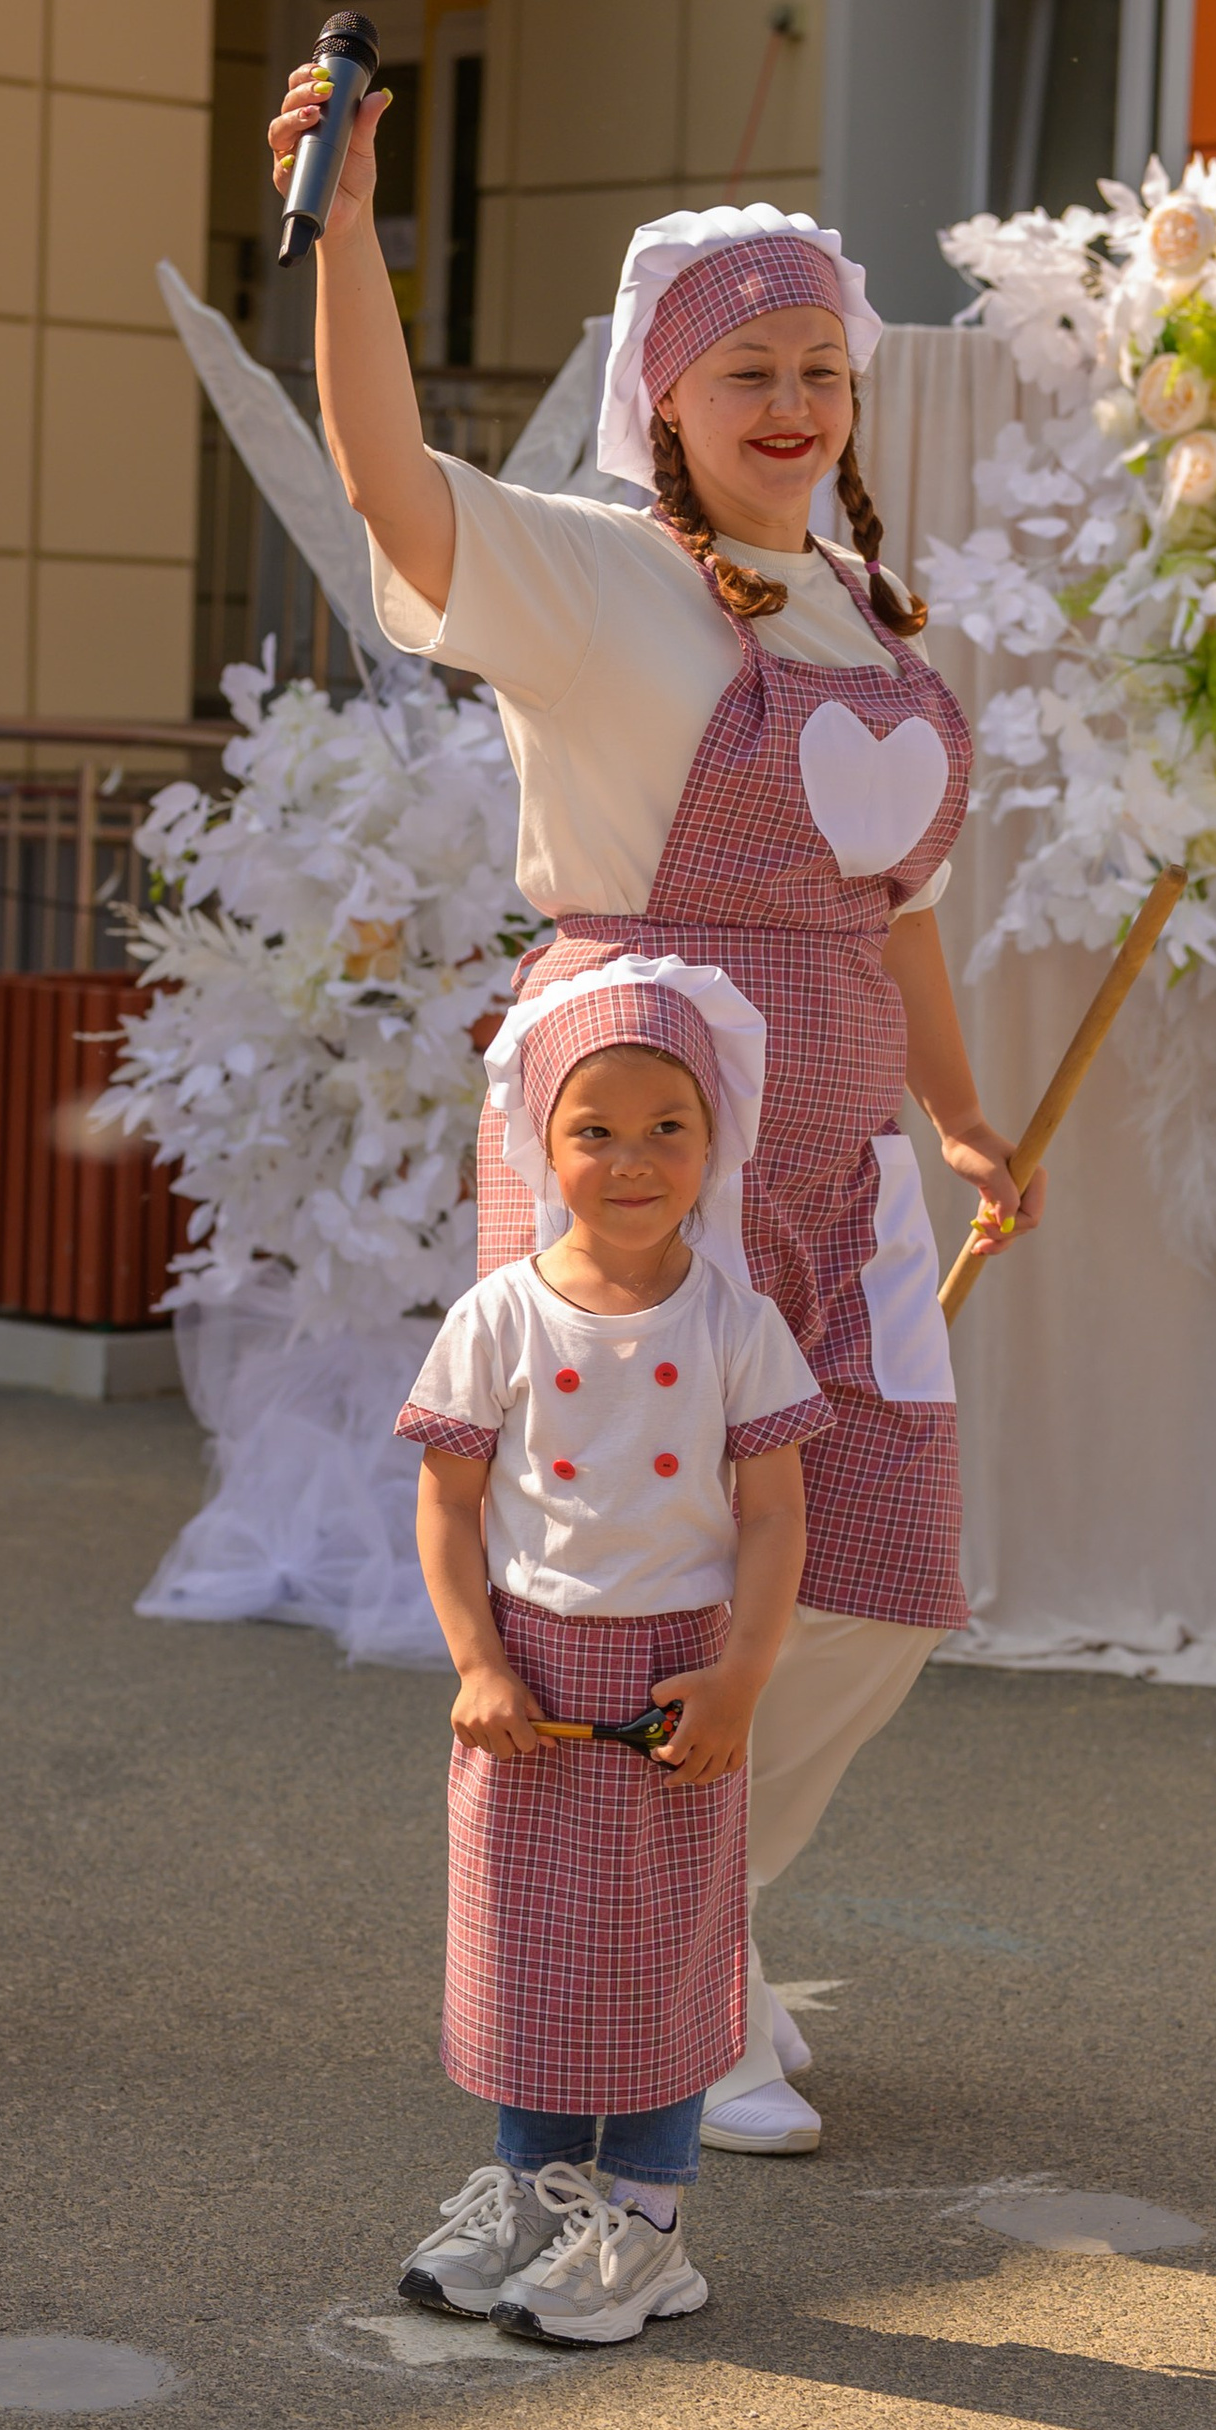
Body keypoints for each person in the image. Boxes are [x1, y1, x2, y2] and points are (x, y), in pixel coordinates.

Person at [269, 59, 1032, 2154]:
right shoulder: (601, 583)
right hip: (640, 1152)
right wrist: (344, 231)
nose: (792, 403)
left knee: (868, 1577)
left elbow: (895, 920)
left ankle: (713, 1923)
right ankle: (665, 1996)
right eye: (746, 371)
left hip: (844, 1171)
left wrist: (960, 1123)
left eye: (819, 368)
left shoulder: (870, 618)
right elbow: (389, 487)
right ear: (664, 403)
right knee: (627, 1575)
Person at [392, 961, 828, 2341]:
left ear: (717, 1146)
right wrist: (477, 1661)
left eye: (668, 1129)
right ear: (539, 1143)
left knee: (658, 1954)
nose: (632, 1161)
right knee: (530, 1948)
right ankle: (535, 2188)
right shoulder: (497, 1317)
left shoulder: (738, 1328)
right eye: (595, 1128)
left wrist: (745, 1675)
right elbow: (450, 1504)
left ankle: (647, 2221)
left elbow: (773, 1513)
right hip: (527, 1676)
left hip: (677, 1680)